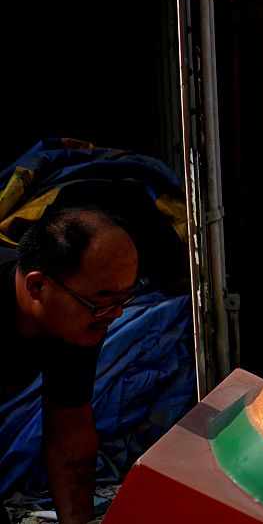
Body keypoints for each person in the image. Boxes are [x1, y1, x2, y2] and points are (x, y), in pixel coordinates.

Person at [2, 200, 142, 524]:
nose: (116, 314)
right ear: (38, 285)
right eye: (103, 301)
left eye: (124, 298)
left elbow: (70, 430)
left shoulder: (75, 320)